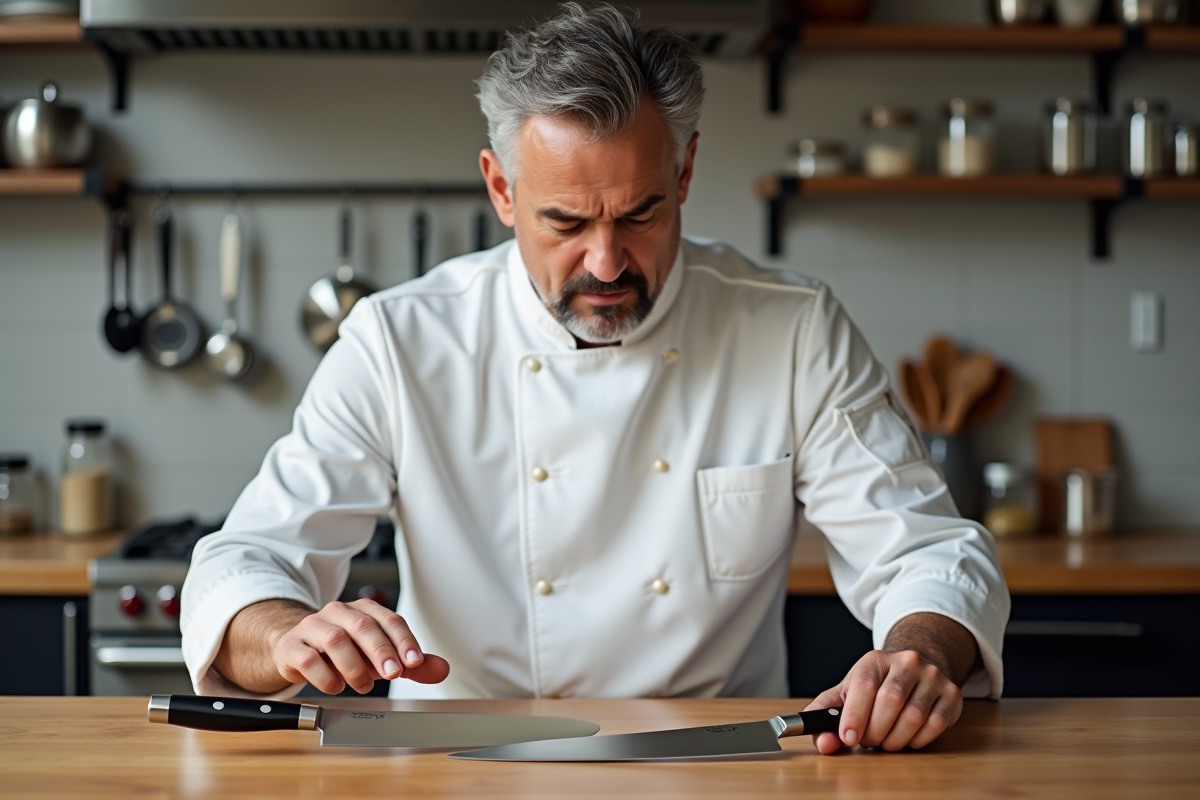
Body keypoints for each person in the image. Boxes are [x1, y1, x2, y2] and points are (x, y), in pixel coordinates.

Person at [181, 3, 1009, 755]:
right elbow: (245, 564)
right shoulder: (400, 341)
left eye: (640, 214)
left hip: (720, 763)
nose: (607, 262)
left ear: (684, 175)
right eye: (566, 223)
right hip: (455, 766)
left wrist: (915, 656)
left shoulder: (791, 330)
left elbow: (929, 553)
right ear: (502, 190)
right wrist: (289, 633)